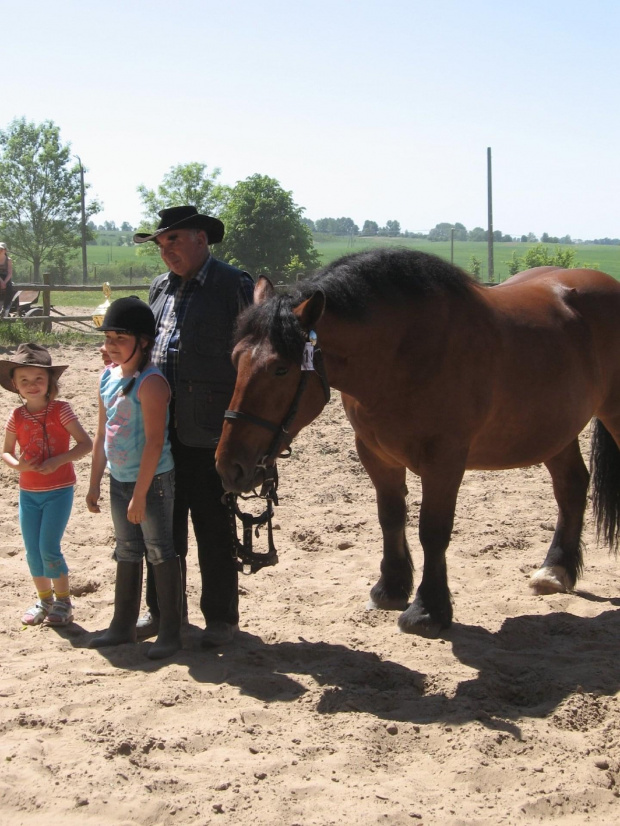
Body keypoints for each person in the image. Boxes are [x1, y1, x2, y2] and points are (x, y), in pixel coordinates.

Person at [133, 205, 253, 647]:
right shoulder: (159, 288)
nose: (166, 252)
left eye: (174, 241)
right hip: (158, 430)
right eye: (161, 244)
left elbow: (253, 358)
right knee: (160, 526)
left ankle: (221, 619)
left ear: (201, 239)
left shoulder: (233, 285)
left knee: (212, 525)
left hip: (210, 430)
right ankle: (163, 613)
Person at [86, 297, 182, 660]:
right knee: (126, 549)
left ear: (142, 342)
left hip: (152, 481)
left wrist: (140, 494)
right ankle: (121, 625)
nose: (110, 345)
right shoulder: (107, 377)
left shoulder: (151, 383)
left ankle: (170, 630)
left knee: (159, 550)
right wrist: (96, 481)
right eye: (108, 338)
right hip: (119, 478)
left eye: (119, 339)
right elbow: (101, 433)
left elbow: (156, 441)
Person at [0, 343, 92, 626]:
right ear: (14, 384)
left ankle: (63, 602)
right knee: (32, 550)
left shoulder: (61, 411)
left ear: (51, 381)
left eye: (38, 379)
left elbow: (85, 443)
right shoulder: (17, 416)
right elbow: (6, 451)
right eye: (24, 380)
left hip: (59, 491)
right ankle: (44, 600)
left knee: (49, 547)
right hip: (28, 493)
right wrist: (18, 466)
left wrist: (59, 460)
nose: (32, 385)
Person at [0, 242, 16, 317]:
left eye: (1, 249)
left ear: (5, 250)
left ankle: (5, 308)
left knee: (9, 288)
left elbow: (10, 273)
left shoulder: (8, 260)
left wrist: (5, 282)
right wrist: (1, 281)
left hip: (5, 277)